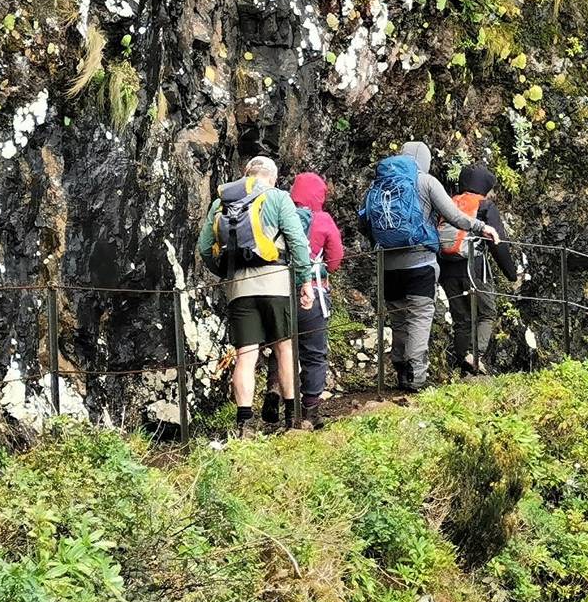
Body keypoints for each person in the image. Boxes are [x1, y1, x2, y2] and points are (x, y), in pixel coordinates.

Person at [359, 142, 497, 391]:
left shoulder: (378, 184)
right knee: (420, 317)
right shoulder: (426, 181)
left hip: (388, 266)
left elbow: (364, 221)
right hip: (420, 262)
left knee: (399, 319)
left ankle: (401, 372)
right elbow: (454, 216)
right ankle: (416, 378)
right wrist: (481, 228)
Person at [196, 156, 315, 438]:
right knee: (284, 349)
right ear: (272, 178)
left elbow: (204, 248)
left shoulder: (221, 203)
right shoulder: (277, 197)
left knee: (245, 356)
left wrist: (228, 272)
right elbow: (297, 242)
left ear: (246, 175)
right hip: (275, 285)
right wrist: (304, 281)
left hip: (239, 289)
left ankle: (244, 425)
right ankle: (292, 420)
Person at [263, 171, 344, 431]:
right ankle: (310, 412)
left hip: (277, 292)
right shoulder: (322, 220)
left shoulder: (277, 213)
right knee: (314, 354)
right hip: (312, 295)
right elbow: (335, 259)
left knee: (281, 347)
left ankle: (275, 389)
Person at [438, 162, 519, 375]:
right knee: (487, 312)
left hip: (446, 268)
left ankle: (462, 365)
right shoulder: (484, 207)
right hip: (474, 268)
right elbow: (497, 243)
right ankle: (475, 356)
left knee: (461, 318)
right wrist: (510, 274)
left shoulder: (449, 202)